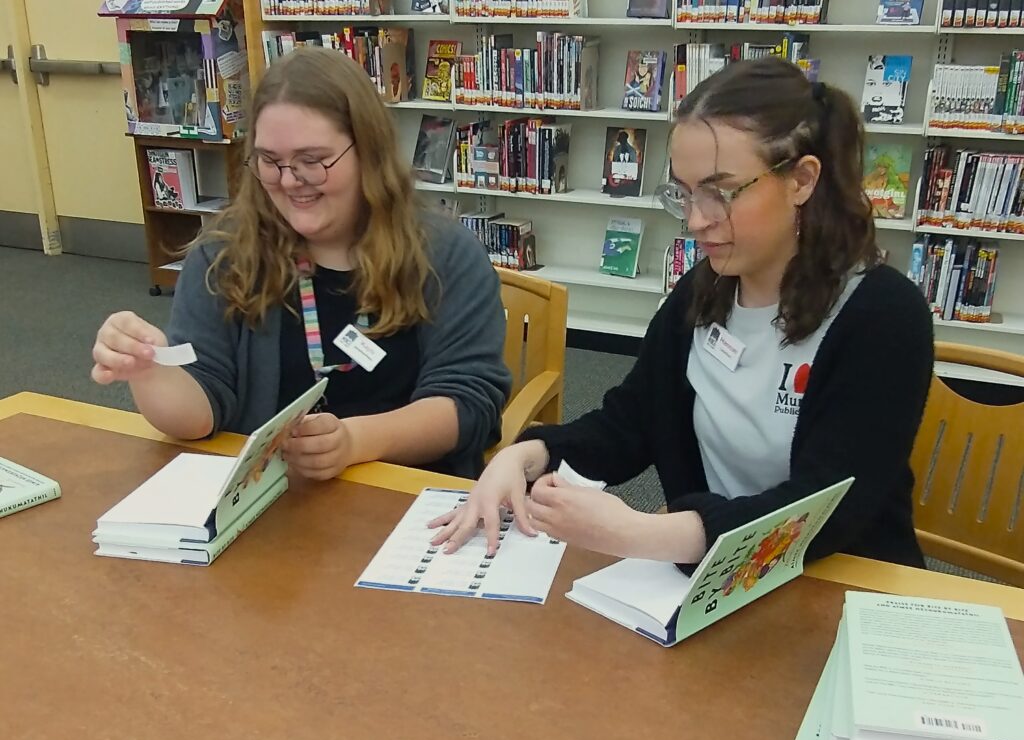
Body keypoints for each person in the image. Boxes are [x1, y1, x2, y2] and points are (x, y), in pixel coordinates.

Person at [431, 58, 933, 568]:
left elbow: (829, 506)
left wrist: (646, 533)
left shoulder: (883, 315)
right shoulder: (705, 290)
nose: (696, 220)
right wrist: (527, 455)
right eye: (685, 194)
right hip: (711, 584)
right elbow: (632, 421)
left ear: (801, 180)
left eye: (720, 192)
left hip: (841, 582)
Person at [92, 48, 511, 480]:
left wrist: (354, 442)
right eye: (270, 161)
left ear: (368, 151)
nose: (290, 180)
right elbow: (201, 412)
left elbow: (469, 403)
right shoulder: (225, 255)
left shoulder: (445, 254)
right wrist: (147, 369)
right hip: (271, 499)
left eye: (312, 160)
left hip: (409, 499)